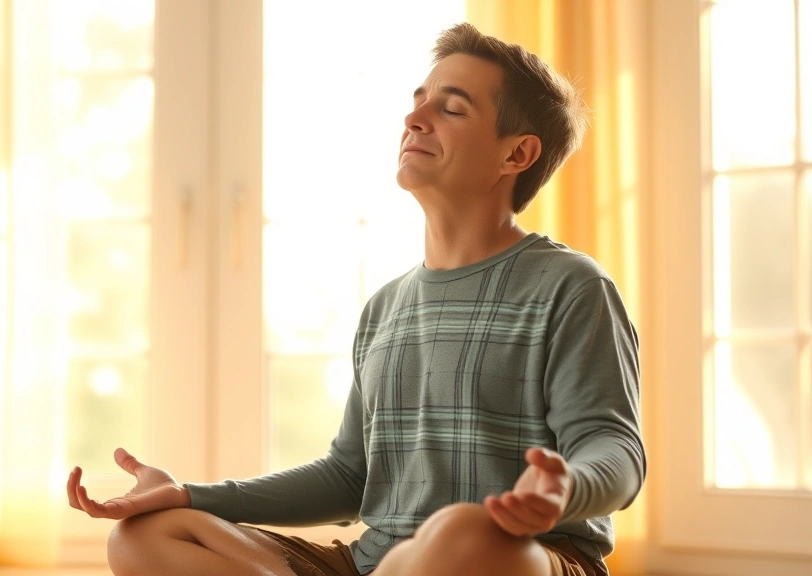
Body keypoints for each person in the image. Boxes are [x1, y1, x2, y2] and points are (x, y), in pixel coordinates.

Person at [67, 22, 645, 576]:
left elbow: (615, 448)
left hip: (523, 556)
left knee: (463, 533)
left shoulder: (571, 287)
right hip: (377, 563)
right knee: (146, 535)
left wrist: (565, 486)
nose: (414, 118)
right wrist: (190, 494)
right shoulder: (386, 308)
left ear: (516, 155)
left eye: (451, 108)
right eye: (418, 101)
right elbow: (349, 476)